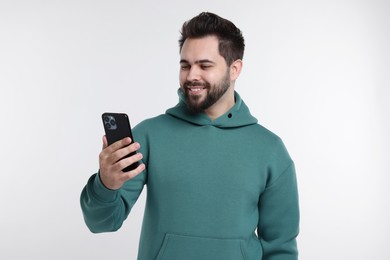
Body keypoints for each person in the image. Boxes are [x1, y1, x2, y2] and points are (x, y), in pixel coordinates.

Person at [80, 12, 299, 260]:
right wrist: (105, 184)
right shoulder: (149, 136)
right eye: (185, 65)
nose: (192, 75)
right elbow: (101, 223)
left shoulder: (269, 149)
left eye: (205, 65)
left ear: (234, 69)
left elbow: (280, 247)